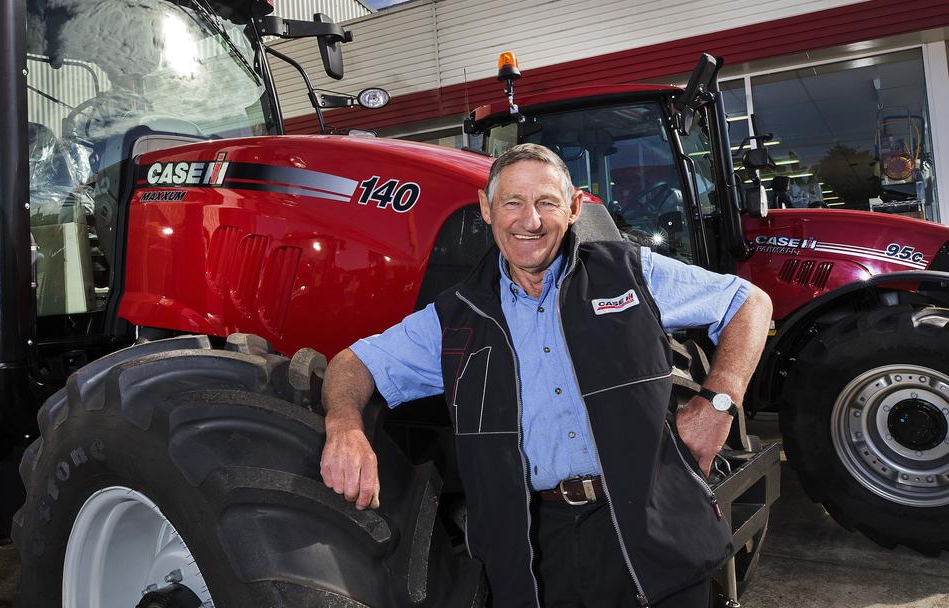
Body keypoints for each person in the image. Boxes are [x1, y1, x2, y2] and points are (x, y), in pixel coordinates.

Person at [319, 144, 773, 608]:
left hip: (655, 524)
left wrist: (719, 404)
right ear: (486, 209)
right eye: (512, 202)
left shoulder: (629, 274)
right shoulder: (456, 317)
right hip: (538, 546)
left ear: (574, 208)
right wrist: (345, 427)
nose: (529, 221)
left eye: (546, 203)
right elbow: (354, 363)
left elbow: (749, 303)